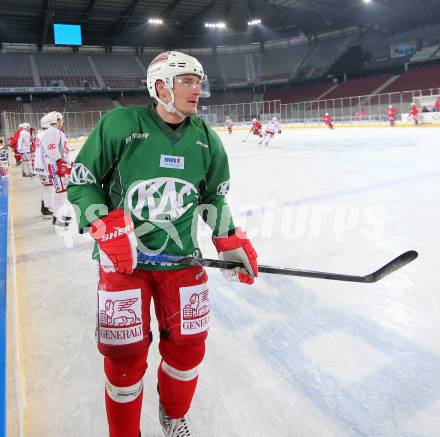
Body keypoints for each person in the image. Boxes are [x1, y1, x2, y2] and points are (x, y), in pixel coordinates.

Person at [67, 50, 258, 437]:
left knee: (189, 349)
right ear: (160, 87)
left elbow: (214, 198)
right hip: (124, 264)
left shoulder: (206, 139)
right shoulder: (120, 124)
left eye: (198, 82)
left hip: (182, 262)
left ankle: (173, 414)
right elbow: (82, 181)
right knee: (124, 359)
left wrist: (228, 238)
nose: (197, 90)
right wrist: (104, 225)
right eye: (187, 81)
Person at [40, 111, 72, 227]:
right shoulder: (52, 131)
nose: (61, 121)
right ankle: (59, 217)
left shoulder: (56, 131)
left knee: (62, 192)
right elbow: (51, 149)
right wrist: (60, 163)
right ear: (54, 120)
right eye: (59, 119)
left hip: (60, 164)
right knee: (61, 193)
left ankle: (58, 216)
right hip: (56, 166)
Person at [33, 114, 53, 218]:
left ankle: (45, 206)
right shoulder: (46, 135)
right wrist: (52, 164)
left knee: (46, 187)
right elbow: (46, 153)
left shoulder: (40, 134)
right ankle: (46, 208)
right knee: (48, 188)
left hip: (39, 166)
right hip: (44, 166)